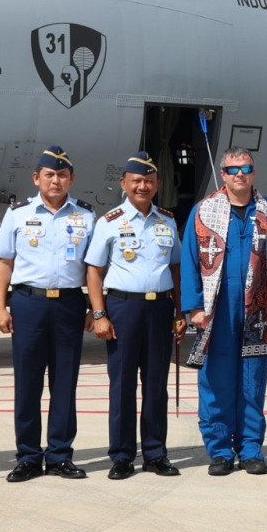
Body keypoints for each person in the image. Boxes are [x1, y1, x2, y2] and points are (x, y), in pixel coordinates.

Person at [0, 147, 95, 481]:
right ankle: (28, 457)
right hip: (28, 303)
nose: (55, 180)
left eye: (62, 175)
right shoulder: (18, 214)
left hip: (68, 304)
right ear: (36, 178)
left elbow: (95, 268)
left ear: (71, 179)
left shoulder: (86, 216)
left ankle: (61, 454)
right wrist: (0, 307)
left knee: (65, 382)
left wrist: (97, 308)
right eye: (49, 175)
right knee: (28, 382)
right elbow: (3, 262)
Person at [182, 148, 267, 475]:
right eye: (232, 169)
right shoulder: (203, 212)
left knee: (252, 380)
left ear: (253, 172)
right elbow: (188, 260)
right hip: (218, 305)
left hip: (255, 305)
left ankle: (251, 449)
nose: (239, 174)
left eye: (246, 168)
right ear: (224, 174)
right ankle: (219, 451)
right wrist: (195, 307)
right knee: (216, 379)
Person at [84, 151, 182, 479]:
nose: (143, 186)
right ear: (124, 183)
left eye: (149, 181)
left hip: (159, 309)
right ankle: (122, 456)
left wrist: (179, 310)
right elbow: (94, 271)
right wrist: (99, 313)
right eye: (136, 181)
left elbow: (176, 268)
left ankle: (155, 453)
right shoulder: (109, 222)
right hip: (123, 308)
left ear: (157, 184)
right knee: (123, 384)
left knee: (156, 385)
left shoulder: (167, 221)